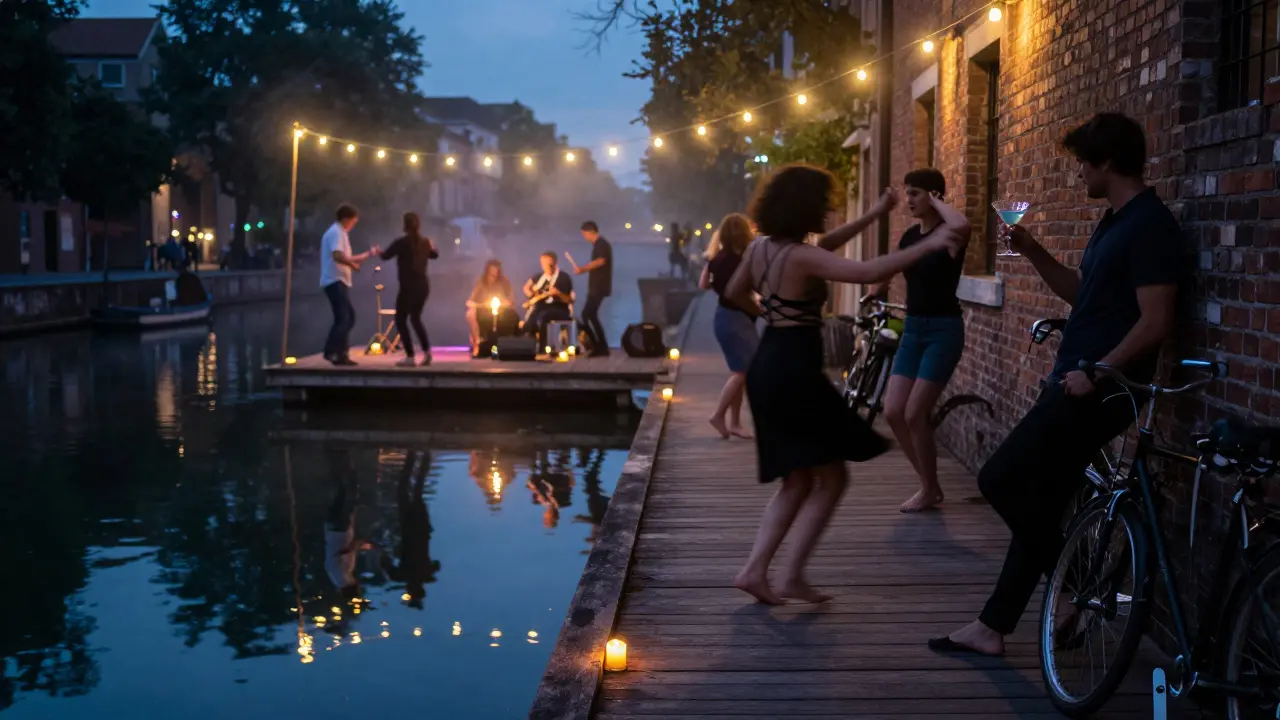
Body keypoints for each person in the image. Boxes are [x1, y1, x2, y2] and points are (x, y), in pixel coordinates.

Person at [930, 113, 1183, 656]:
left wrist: (1097, 372)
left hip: (1101, 389)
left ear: (1107, 161)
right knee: (1042, 503)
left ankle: (1071, 591)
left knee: (1000, 479)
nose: (1078, 173)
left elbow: (1156, 321)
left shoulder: (1150, 225)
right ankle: (993, 627)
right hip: (1077, 380)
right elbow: (1081, 292)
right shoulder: (1115, 222)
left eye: (1082, 162)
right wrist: (1032, 250)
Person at [724, 164, 961, 605]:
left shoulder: (761, 249)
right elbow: (867, 270)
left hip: (768, 364)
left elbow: (736, 293)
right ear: (805, 206)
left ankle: (758, 571)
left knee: (799, 479)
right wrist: (929, 244)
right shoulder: (801, 257)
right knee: (831, 478)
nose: (828, 210)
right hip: (795, 371)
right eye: (823, 203)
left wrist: (773, 312)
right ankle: (786, 575)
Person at [872, 170, 972, 512]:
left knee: (915, 412)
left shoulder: (950, 234)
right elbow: (893, 266)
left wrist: (938, 200)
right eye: (908, 193)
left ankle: (929, 489)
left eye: (915, 193)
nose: (909, 199)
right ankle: (929, 484)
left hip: (943, 331)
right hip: (913, 329)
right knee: (893, 411)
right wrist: (876, 287)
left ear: (932, 196)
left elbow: (961, 224)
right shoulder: (910, 236)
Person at [699, 213, 760, 440]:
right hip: (738, 320)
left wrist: (716, 276)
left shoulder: (716, 258)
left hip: (724, 317)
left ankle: (735, 423)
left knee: (739, 371)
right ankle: (718, 415)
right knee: (744, 371)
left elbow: (703, 284)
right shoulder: (744, 259)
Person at [320, 204, 377, 366]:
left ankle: (339, 353)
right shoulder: (336, 232)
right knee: (345, 318)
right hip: (334, 280)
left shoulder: (341, 233)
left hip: (340, 281)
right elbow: (338, 256)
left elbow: (348, 257)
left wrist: (369, 254)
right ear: (346, 219)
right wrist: (352, 265)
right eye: (353, 222)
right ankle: (333, 352)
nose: (353, 225)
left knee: (346, 318)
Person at [380, 212, 439, 367]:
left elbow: (385, 256)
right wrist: (431, 246)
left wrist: (377, 251)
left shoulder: (401, 243)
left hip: (408, 287)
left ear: (405, 225)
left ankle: (410, 356)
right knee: (415, 319)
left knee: (400, 319)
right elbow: (434, 255)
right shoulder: (425, 242)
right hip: (423, 286)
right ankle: (427, 353)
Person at [573, 220, 613, 356]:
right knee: (591, 315)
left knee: (587, 314)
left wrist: (583, 269)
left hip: (599, 287)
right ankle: (601, 346)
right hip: (596, 287)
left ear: (590, 232)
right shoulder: (599, 244)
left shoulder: (602, 244)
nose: (585, 238)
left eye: (584, 235)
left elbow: (600, 261)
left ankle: (599, 346)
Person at [522, 251, 574, 347]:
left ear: (554, 263)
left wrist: (558, 294)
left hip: (559, 308)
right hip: (541, 306)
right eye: (543, 263)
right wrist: (531, 294)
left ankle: (543, 347)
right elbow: (526, 287)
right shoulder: (539, 277)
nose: (546, 266)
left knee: (543, 316)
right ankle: (529, 345)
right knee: (531, 318)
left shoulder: (563, 277)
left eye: (549, 263)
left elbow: (569, 300)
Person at [465, 259, 516, 355]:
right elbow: (470, 301)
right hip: (484, 309)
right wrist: (482, 305)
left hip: (501, 310)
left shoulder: (504, 282)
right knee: (470, 314)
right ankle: (478, 342)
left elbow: (510, 300)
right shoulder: (481, 282)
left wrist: (504, 303)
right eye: (493, 269)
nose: (495, 272)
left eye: (497, 269)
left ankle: (503, 344)